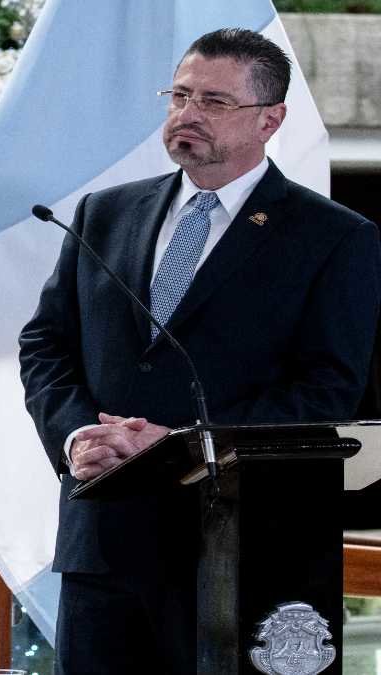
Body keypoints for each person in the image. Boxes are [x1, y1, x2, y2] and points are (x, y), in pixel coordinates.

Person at [19, 28, 380, 674]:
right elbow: (45, 343)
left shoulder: (335, 239)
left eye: (213, 102)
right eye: (179, 95)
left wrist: (184, 445)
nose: (187, 114)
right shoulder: (103, 214)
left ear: (271, 120)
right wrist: (75, 435)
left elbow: (328, 390)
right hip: (103, 551)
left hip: (242, 558)